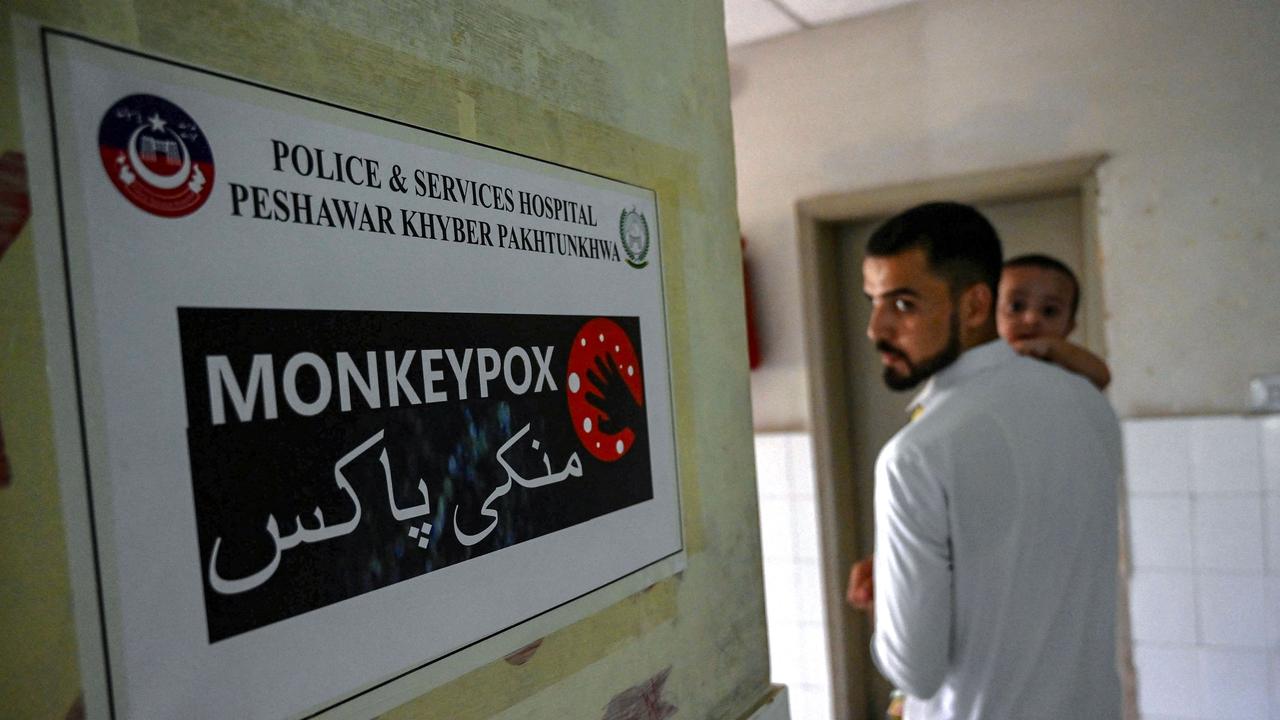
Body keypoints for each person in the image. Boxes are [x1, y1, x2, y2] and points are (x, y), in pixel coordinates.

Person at [846, 202, 1123, 719]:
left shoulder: (916, 455)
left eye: (903, 304)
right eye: (873, 302)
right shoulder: (1090, 406)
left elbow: (914, 670)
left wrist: (889, 594)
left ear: (974, 306)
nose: (876, 329)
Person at [998, 253, 1110, 389]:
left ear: (1068, 327)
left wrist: (1050, 348)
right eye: (1016, 306)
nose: (1032, 319)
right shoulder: (987, 357)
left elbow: (1103, 376)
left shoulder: (1063, 361)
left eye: (1049, 311)